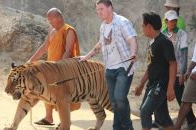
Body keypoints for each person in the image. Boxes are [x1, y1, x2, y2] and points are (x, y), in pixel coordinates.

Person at [80, 0, 138, 129]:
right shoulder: (103, 26)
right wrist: (86, 57)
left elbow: (132, 39)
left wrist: (133, 53)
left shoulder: (122, 22)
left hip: (124, 67)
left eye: (101, 9)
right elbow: (100, 44)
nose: (98, 12)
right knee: (114, 102)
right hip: (109, 69)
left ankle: (127, 127)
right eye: (97, 9)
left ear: (110, 8)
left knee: (120, 97)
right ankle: (118, 127)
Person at [28, 7, 81, 126]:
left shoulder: (69, 30)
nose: (50, 22)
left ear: (59, 17)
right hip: (50, 69)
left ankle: (64, 121)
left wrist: (59, 68)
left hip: (62, 70)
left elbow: (67, 51)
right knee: (47, 92)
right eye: (49, 20)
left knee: (62, 96)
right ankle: (48, 117)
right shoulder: (52, 31)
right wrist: (30, 61)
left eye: (51, 20)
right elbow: (44, 47)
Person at [134, 12, 177, 130]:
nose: (142, 28)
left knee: (145, 111)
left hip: (161, 85)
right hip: (152, 84)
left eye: (143, 25)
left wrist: (170, 87)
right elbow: (150, 67)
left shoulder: (164, 42)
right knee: (163, 118)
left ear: (149, 26)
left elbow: (173, 64)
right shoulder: (152, 43)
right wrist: (141, 84)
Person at [162, 10, 196, 130]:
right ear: (166, 21)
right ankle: (164, 121)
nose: (174, 23)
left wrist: (182, 72)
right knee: (162, 95)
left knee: (180, 95)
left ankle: (191, 121)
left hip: (177, 70)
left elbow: (184, 54)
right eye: (171, 21)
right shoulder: (162, 34)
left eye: (175, 20)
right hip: (165, 70)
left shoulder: (182, 34)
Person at [174, 44, 196, 130]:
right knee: (185, 101)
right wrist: (189, 70)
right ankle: (177, 127)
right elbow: (195, 57)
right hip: (194, 75)